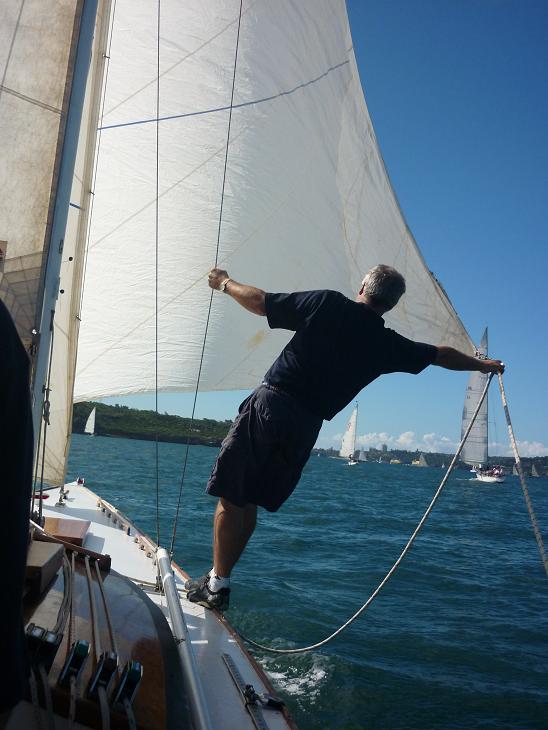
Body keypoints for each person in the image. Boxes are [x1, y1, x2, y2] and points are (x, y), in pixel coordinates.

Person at [185, 265, 504, 610]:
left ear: (365, 285)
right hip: (306, 426)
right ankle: (219, 581)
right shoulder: (386, 344)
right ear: (392, 305)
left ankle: (217, 586)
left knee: (233, 498)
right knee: (248, 501)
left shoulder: (328, 304)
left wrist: (225, 283)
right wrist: (483, 366)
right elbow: (440, 354)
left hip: (272, 406)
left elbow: (262, 303)